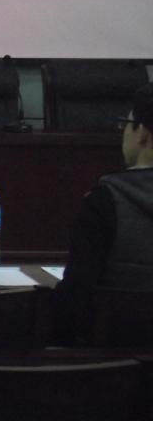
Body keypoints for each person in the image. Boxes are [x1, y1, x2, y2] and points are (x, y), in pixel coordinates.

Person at [54, 81, 153, 343]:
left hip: (117, 358)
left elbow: (75, 300)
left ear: (142, 132)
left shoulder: (104, 201)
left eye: (126, 124)